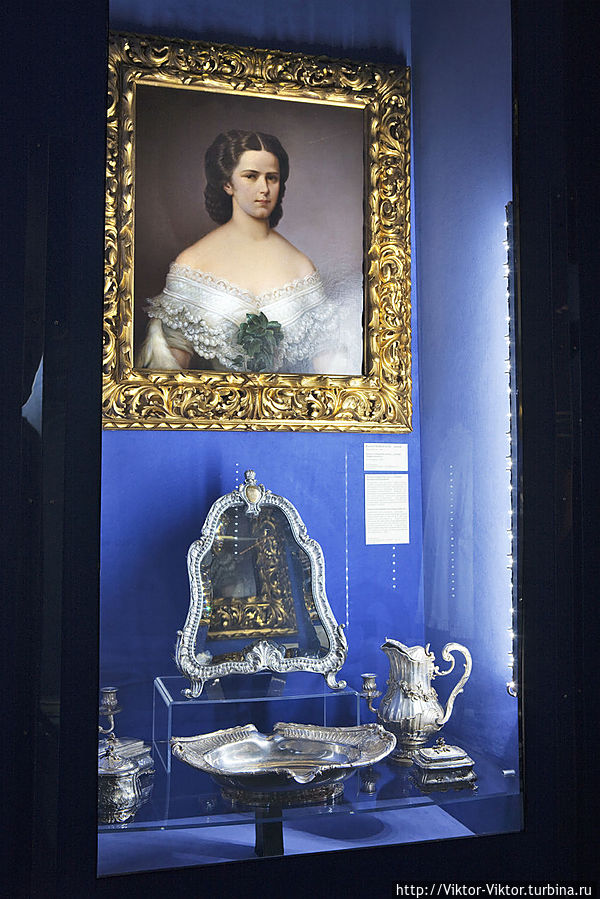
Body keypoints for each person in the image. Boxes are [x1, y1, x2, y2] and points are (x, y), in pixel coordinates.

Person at [137, 129, 349, 373]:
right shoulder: (193, 263)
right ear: (228, 184)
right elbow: (167, 372)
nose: (264, 188)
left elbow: (333, 373)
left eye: (272, 178)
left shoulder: (302, 268)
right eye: (251, 176)